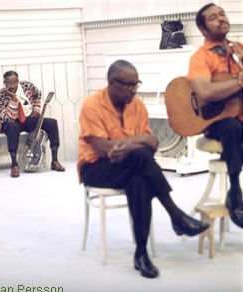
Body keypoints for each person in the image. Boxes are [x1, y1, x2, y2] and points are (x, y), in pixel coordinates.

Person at [77, 60, 209, 279]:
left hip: (129, 164)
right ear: (112, 83)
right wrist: (137, 143)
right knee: (140, 155)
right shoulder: (93, 104)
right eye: (129, 85)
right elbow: (103, 149)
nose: (134, 89)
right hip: (96, 167)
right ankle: (176, 215)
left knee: (139, 179)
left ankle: (141, 254)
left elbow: (154, 143)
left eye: (136, 84)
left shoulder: (136, 106)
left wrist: (129, 144)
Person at [187, 3, 243, 228]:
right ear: (203, 29)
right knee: (232, 128)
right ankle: (235, 190)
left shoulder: (239, 49)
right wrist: (238, 82)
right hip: (218, 121)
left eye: (222, 14)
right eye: (213, 17)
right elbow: (205, 92)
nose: (221, 19)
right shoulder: (201, 57)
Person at [0, 70, 65, 177]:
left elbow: (37, 94)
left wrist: (36, 108)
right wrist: (13, 98)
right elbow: (9, 118)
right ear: (4, 83)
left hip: (27, 119)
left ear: (18, 81)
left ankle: (55, 161)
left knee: (52, 123)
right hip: (12, 122)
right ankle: (14, 165)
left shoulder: (27, 86)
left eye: (14, 83)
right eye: (8, 83)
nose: (12, 86)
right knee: (12, 127)